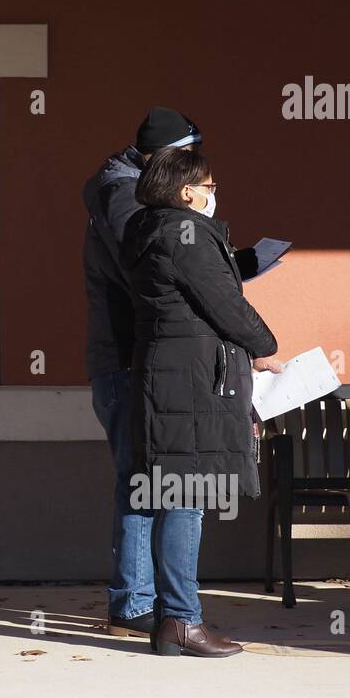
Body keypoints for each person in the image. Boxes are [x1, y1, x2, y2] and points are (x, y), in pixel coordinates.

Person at [83, 107, 261, 638]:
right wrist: (217, 273)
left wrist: (227, 263)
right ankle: (140, 606)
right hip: (135, 361)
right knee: (156, 486)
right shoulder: (128, 199)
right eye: (190, 161)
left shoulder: (138, 201)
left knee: (152, 484)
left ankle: (142, 607)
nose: (201, 180)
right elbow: (155, 270)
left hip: (143, 359)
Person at [120, 147, 283, 657]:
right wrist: (264, 345)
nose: (214, 194)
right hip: (188, 383)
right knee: (186, 500)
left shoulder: (150, 229)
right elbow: (224, 304)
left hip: (170, 376)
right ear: (186, 190)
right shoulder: (182, 233)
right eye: (209, 186)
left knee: (166, 496)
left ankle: (170, 621)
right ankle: (182, 621)